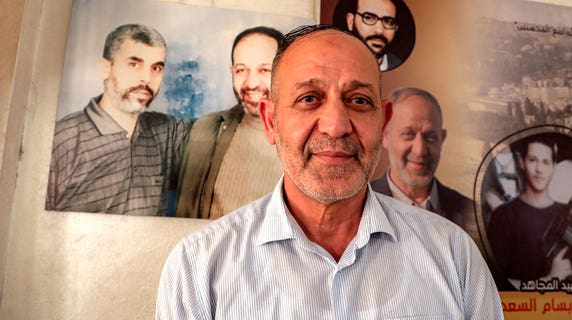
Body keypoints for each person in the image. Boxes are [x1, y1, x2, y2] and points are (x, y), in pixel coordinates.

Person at [156, 25, 503, 319]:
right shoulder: (198, 268)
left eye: (358, 100)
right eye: (309, 98)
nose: (336, 126)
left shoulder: (454, 256)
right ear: (270, 122)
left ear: (383, 120)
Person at [46, 24, 192, 216]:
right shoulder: (61, 140)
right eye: (134, 64)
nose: (146, 78)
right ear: (105, 69)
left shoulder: (166, 131)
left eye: (156, 68)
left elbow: (223, 127)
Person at [175, 26, 284, 219]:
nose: (251, 83)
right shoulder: (208, 128)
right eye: (241, 70)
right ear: (231, 71)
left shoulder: (307, 139)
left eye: (264, 70)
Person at [371, 87, 480, 246]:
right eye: (408, 134)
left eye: (430, 137)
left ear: (442, 139)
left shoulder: (474, 214)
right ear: (385, 136)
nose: (420, 150)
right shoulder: (354, 210)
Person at [488, 134, 572, 289]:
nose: (539, 169)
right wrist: (549, 280)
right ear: (521, 162)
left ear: (553, 167)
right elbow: (495, 284)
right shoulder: (502, 216)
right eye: (533, 160)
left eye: (546, 162)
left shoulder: (567, 213)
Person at [345, 0, 402, 71]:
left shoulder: (405, 70)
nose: (379, 31)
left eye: (388, 22)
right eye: (369, 18)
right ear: (351, 21)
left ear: (396, 28)